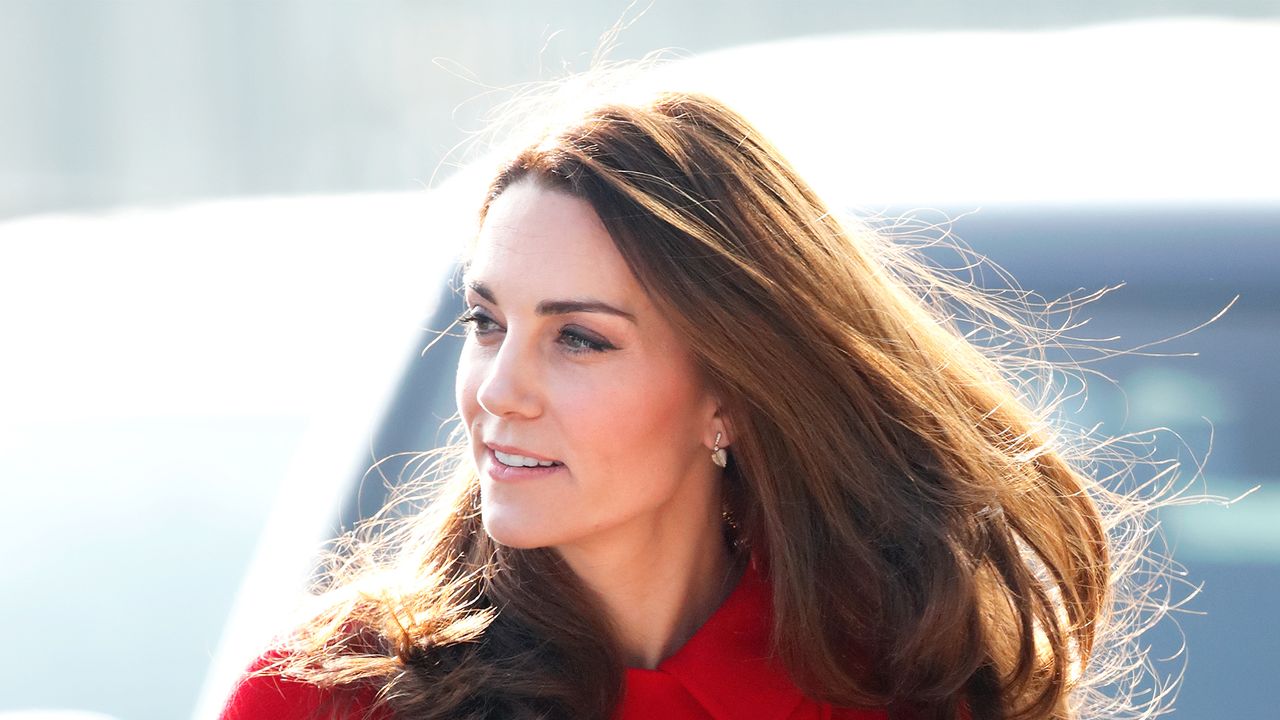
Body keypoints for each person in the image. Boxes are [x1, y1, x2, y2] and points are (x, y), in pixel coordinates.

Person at [219, 78, 1177, 720]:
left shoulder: (900, 690)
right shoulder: (327, 694)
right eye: (486, 322)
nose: (498, 390)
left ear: (732, 395)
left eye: (579, 339)